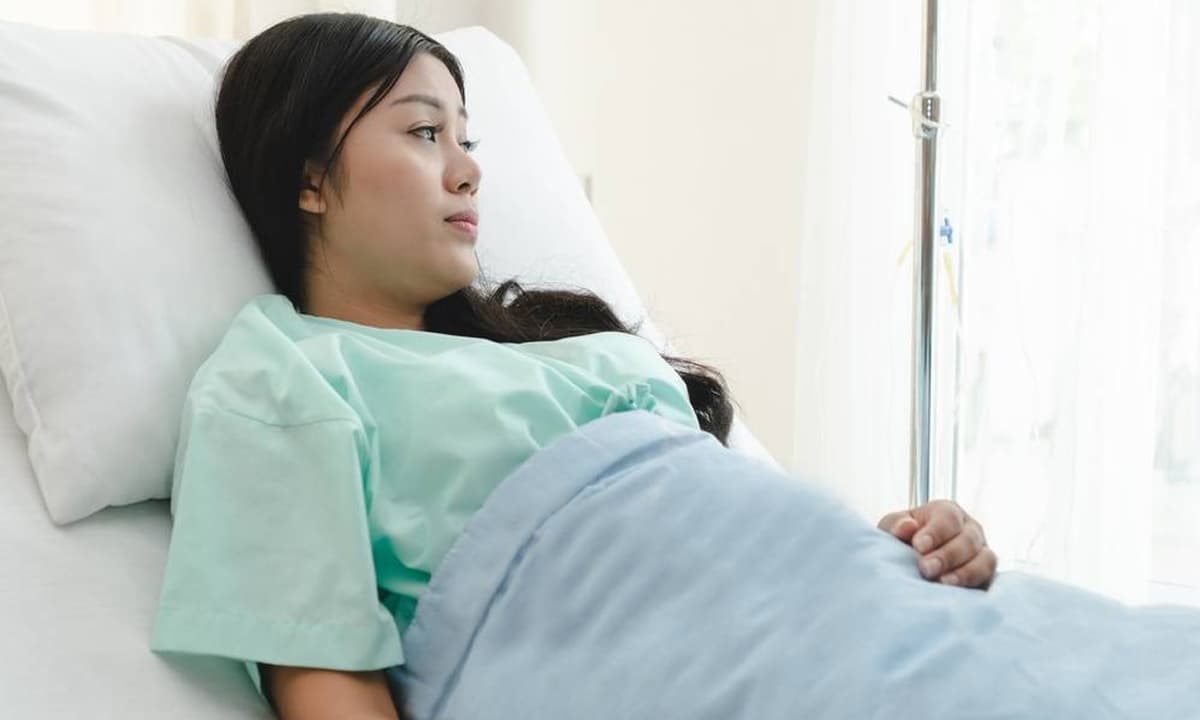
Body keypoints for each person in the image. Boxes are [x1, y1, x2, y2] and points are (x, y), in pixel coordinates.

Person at [149, 12, 998, 720]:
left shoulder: (570, 347)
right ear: (309, 179)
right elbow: (328, 682)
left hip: (852, 630)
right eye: (425, 132)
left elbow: (739, 542)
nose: (469, 169)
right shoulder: (285, 374)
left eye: (467, 138)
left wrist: (907, 550)